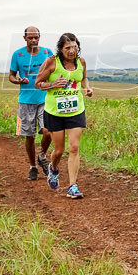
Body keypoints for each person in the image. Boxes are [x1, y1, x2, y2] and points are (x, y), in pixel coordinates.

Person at [35, 32, 93, 199]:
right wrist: (53, 84)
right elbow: (37, 83)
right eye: (67, 48)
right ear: (60, 49)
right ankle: (53, 169)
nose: (72, 50)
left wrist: (87, 87)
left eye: (74, 47)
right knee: (59, 150)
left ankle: (72, 186)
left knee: (74, 147)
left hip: (76, 110)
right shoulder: (51, 62)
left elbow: (83, 78)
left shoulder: (81, 62)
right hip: (54, 111)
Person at [9, 26, 53, 181]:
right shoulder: (17, 54)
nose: (34, 40)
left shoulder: (47, 53)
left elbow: (54, 72)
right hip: (26, 101)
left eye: (36, 37)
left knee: (48, 131)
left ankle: (42, 156)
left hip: (45, 99)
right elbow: (11, 76)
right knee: (29, 136)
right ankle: (32, 167)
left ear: (39, 37)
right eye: (30, 38)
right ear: (24, 38)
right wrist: (18, 81)